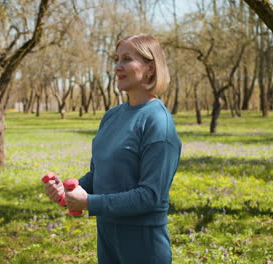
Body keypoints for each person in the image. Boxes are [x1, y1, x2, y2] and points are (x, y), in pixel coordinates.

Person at [44, 33, 181, 264]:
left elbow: (151, 196)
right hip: (107, 241)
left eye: (127, 59)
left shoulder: (158, 122)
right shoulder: (111, 116)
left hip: (144, 247)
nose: (117, 67)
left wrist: (89, 203)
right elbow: (100, 176)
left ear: (150, 68)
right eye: (116, 59)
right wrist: (69, 192)